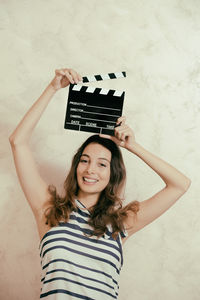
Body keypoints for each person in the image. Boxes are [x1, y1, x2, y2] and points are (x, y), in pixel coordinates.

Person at [9, 68, 191, 300]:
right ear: (76, 166)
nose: (90, 169)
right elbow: (18, 142)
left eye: (102, 164)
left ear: (112, 175)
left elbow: (180, 185)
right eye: (84, 160)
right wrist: (53, 88)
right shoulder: (49, 210)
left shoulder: (121, 223)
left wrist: (132, 146)